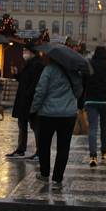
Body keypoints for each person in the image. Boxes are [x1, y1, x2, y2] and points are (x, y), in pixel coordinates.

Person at [30, 53, 83, 191]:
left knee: (44, 144)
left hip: (48, 113)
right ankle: (57, 178)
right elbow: (79, 91)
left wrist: (33, 109)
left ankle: (44, 173)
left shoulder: (48, 70)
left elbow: (40, 92)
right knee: (63, 147)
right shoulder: (73, 71)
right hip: (68, 114)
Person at [83, 46, 106, 167]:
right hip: (105, 101)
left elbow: (83, 83)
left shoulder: (89, 64)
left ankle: (93, 155)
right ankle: (104, 151)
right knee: (104, 126)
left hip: (90, 100)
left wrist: (81, 101)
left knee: (92, 128)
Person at [6, 45, 45, 159]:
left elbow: (35, 84)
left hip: (30, 101)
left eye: (25, 50)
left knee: (35, 126)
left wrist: (28, 95)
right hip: (24, 100)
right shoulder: (29, 64)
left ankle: (39, 151)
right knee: (22, 125)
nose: (23, 53)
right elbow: (24, 80)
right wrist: (16, 74)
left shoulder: (38, 65)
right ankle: (20, 149)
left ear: (32, 52)